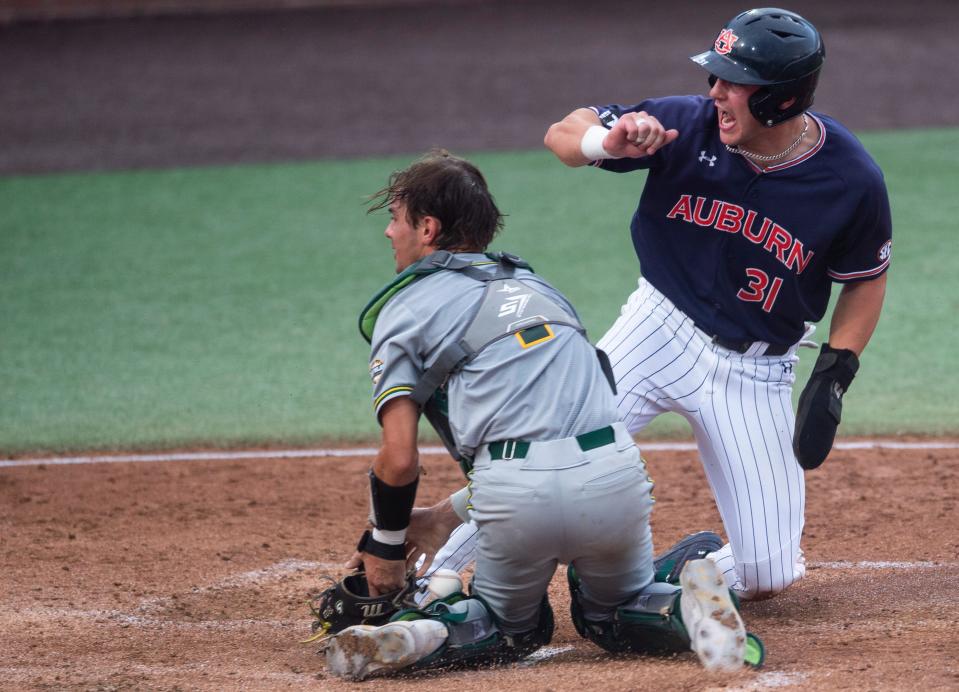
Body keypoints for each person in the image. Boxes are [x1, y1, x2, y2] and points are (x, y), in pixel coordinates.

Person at [412, 7, 891, 602]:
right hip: (655, 328)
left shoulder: (850, 180)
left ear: (781, 99)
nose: (714, 92)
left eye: (733, 82)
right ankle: (431, 570)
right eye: (714, 76)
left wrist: (837, 368)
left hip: (755, 371)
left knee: (770, 572)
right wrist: (602, 141)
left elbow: (866, 276)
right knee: (545, 459)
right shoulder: (683, 126)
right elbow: (563, 134)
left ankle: (669, 576)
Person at [323, 150, 761, 681]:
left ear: (429, 228)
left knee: (512, 630)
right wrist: (444, 515)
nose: (390, 233)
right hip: (615, 477)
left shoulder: (404, 308)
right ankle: (679, 608)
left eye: (396, 218)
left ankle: (426, 631)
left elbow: (398, 459)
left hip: (514, 495)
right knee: (613, 615)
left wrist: (385, 547)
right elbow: (566, 429)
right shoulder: (539, 288)